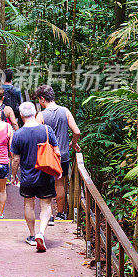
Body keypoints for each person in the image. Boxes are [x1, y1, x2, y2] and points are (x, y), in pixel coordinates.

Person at [10, 101, 60, 252]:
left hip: (27, 177)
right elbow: (57, 151)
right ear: (35, 113)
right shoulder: (46, 129)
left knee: (28, 204)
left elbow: (16, 159)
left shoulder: (17, 135)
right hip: (45, 174)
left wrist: (13, 175)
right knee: (46, 205)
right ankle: (41, 233)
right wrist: (57, 170)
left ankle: (32, 236)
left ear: (21, 115)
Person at [35, 84, 82, 224]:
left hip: (47, 157)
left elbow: (36, 135)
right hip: (63, 155)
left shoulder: (41, 115)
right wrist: (73, 143)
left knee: (46, 184)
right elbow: (77, 132)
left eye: (39, 100)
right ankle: (61, 214)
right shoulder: (65, 111)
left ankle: (48, 216)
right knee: (60, 184)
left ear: (42, 99)